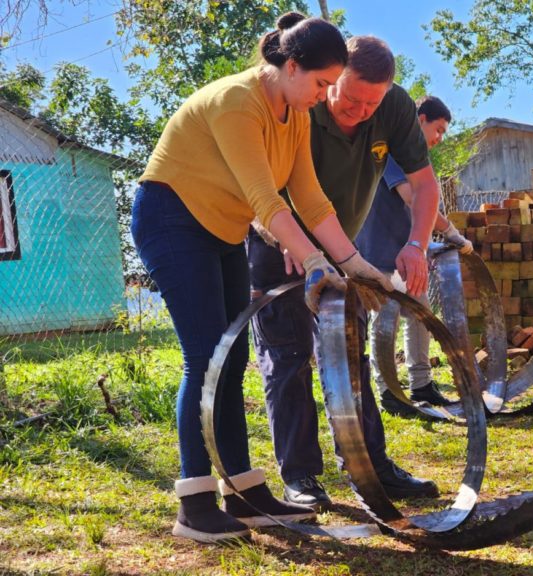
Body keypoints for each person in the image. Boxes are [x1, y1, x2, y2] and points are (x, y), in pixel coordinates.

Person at [131, 13, 392, 544]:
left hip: (219, 228)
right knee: (205, 357)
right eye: (321, 84)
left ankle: (245, 494)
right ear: (290, 65)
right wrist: (314, 261)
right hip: (171, 220)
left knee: (233, 356)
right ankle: (195, 504)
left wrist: (354, 263)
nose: (324, 96)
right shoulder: (238, 102)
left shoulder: (294, 112)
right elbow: (264, 200)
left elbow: (311, 200)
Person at [248, 36, 442, 509]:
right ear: (332, 78)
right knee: (289, 357)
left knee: (350, 353)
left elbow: (424, 182)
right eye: (349, 97)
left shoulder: (392, 107)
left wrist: (416, 244)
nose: (358, 110)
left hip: (342, 250)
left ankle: (369, 467)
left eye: (370, 103)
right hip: (276, 239)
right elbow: (259, 187)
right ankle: (300, 477)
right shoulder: (302, 99)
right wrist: (291, 241)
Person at [355, 96, 473, 416]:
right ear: (419, 119)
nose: (440, 138)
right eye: (438, 129)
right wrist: (450, 232)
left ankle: (421, 385)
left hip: (410, 256)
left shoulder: (413, 158)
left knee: (421, 316)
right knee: (387, 321)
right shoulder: (392, 153)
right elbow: (412, 198)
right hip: (381, 253)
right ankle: (390, 393)